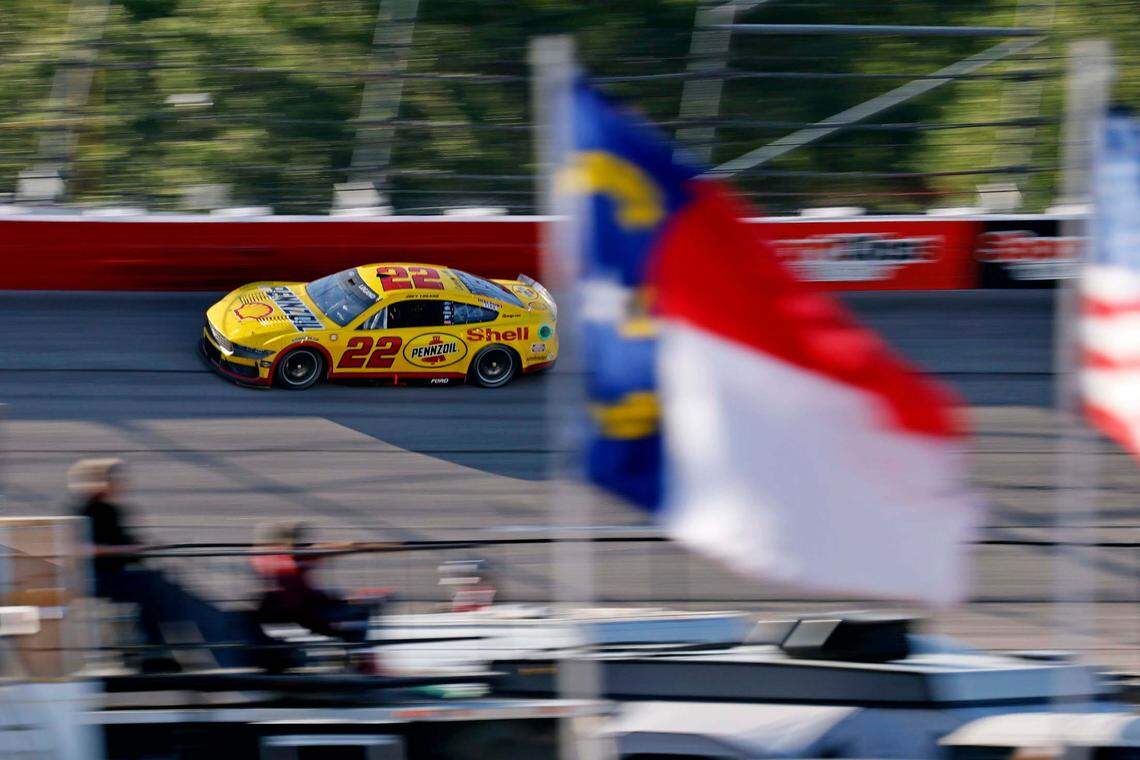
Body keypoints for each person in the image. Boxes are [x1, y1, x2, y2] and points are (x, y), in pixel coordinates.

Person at [71, 458, 268, 671]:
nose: (121, 485)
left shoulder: (112, 511)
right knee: (153, 587)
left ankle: (158, 650)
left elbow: (126, 543)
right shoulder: (84, 511)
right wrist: (125, 550)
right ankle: (154, 650)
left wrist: (145, 547)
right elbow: (79, 548)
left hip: (122, 575)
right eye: (114, 480)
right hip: (97, 578)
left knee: (162, 589)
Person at [251, 521, 387, 674]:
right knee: (358, 616)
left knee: (353, 613)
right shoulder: (298, 555)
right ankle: (363, 663)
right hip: (306, 614)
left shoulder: (260, 557)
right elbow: (350, 546)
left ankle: (357, 660)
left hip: (282, 612)